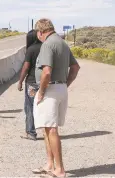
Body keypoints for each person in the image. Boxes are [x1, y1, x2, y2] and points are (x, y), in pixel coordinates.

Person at [32, 18, 80, 177]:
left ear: (40, 32)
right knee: (47, 127)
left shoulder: (47, 44)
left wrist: (42, 91)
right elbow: (75, 67)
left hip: (50, 89)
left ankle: (59, 169)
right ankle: (49, 164)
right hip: (60, 88)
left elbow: (46, 71)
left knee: (51, 129)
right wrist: (65, 84)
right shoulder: (62, 43)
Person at [18, 29, 42, 140]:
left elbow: (26, 67)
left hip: (32, 83)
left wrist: (20, 81)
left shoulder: (31, 49)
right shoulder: (46, 47)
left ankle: (31, 132)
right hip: (45, 82)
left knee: (29, 107)